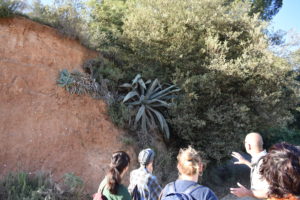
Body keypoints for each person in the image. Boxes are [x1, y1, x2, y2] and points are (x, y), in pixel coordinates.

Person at [230, 132, 269, 199]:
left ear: (249, 146)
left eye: (245, 142)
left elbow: (270, 193)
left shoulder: (264, 162)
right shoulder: (264, 158)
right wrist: (245, 162)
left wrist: (247, 192)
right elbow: (259, 171)